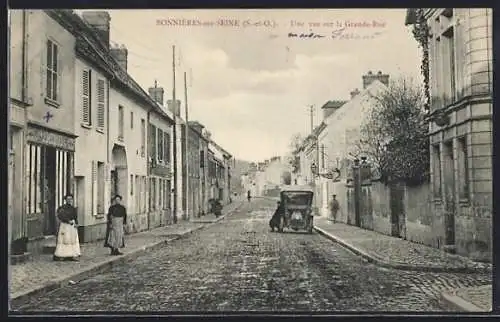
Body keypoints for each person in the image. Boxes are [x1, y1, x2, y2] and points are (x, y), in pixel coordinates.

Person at [53, 194, 80, 261]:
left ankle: (72, 255)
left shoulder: (73, 208)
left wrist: (76, 223)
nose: (69, 201)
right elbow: (60, 216)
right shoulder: (62, 208)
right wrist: (67, 221)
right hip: (65, 226)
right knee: (64, 240)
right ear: (65, 200)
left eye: (70, 199)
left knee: (72, 240)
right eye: (68, 199)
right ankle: (62, 255)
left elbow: (75, 216)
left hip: (72, 227)